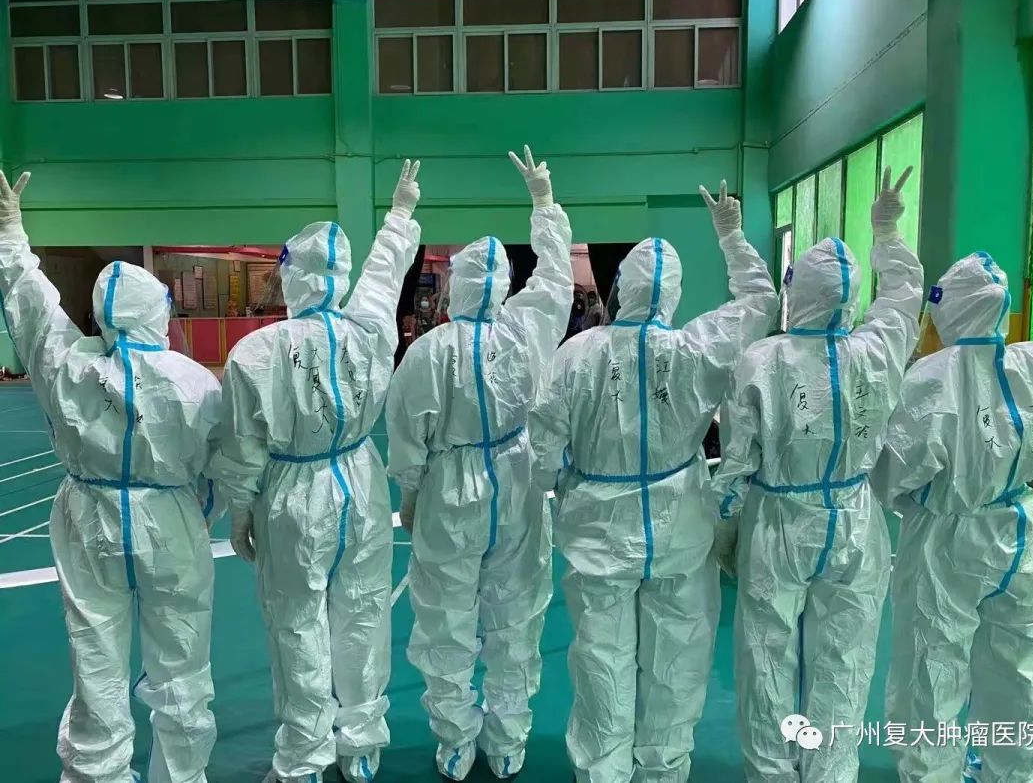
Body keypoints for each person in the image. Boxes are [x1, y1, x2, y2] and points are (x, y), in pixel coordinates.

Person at [529, 180, 778, 783]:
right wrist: (731, 236)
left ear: (620, 289)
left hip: (597, 531)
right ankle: (663, 770)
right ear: (673, 295)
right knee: (678, 662)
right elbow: (760, 300)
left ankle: (604, 771)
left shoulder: (577, 355)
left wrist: (556, 482)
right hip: (680, 531)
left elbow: (542, 443)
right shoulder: (698, 348)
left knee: (602, 663)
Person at [0, 171, 221, 783]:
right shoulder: (194, 380)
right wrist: (201, 514)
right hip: (171, 523)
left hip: (88, 519)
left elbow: (32, 308)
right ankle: (182, 773)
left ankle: (98, 773)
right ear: (159, 313)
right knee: (182, 658)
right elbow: (219, 468)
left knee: (95, 653)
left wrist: (11, 236)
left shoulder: (67, 365)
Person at [208, 160, 424, 783]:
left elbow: (244, 445)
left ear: (290, 277)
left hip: (294, 495)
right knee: (363, 615)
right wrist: (400, 214)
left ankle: (304, 754)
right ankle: (360, 743)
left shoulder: (257, 352)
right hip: (361, 483)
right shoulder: (371, 330)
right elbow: (384, 275)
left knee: (297, 621)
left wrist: (241, 510)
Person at [713, 167, 923, 783]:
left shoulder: (762, 360)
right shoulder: (878, 350)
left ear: (795, 290)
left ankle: (771, 772)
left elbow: (738, 460)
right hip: (855, 520)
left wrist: (725, 531)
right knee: (844, 660)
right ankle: (830, 771)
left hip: (778, 522)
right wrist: (888, 232)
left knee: (767, 658)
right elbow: (902, 297)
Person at [385, 146, 572, 780]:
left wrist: (411, 492)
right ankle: (509, 737)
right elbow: (555, 277)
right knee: (516, 613)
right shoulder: (527, 329)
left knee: (446, 616)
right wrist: (544, 204)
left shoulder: (428, 352)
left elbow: (406, 431)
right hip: (517, 480)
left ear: (456, 285)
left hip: (450, 490)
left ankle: (455, 738)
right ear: (504, 286)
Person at [870, 249, 1033, 782]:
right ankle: (1014, 770)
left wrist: (913, 503)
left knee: (931, 668)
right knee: (1018, 666)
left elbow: (892, 473)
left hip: (947, 540)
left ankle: (932, 772)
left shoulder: (930, 379)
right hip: (1023, 533)